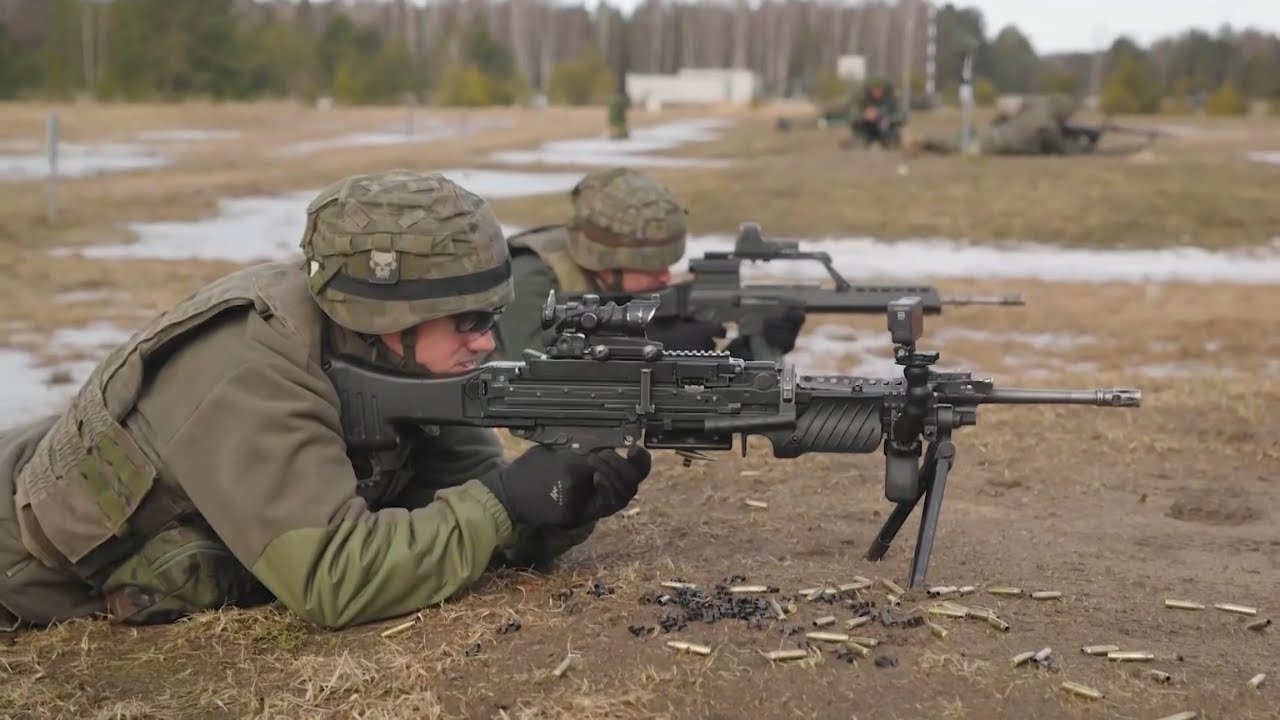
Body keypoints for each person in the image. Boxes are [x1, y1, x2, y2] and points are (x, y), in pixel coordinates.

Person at [0, 169, 651, 632]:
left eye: (493, 318)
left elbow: (469, 510)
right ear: (387, 318)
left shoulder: (391, 360)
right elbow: (333, 580)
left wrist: (557, 507)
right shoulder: (249, 369)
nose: (487, 343)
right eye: (469, 321)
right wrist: (503, 504)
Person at [492, 167, 804, 364]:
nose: (666, 276)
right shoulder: (531, 276)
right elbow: (537, 374)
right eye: (652, 268)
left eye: (668, 264)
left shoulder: (622, 289)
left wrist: (747, 354)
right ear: (606, 265)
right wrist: (653, 345)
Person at [910, 93, 1084, 156]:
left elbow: (1006, 110)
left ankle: (924, 140)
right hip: (990, 144)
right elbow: (1061, 149)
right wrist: (1083, 144)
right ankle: (923, 141)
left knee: (951, 140)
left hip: (988, 130)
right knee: (956, 148)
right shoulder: (1048, 127)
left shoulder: (1036, 103)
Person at [846, 78, 905, 149]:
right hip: (864, 130)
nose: (877, 92)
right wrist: (864, 116)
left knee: (894, 147)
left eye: (880, 89)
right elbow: (851, 118)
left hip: (887, 131)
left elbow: (902, 116)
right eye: (874, 89)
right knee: (857, 148)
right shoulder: (860, 99)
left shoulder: (893, 98)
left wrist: (884, 117)